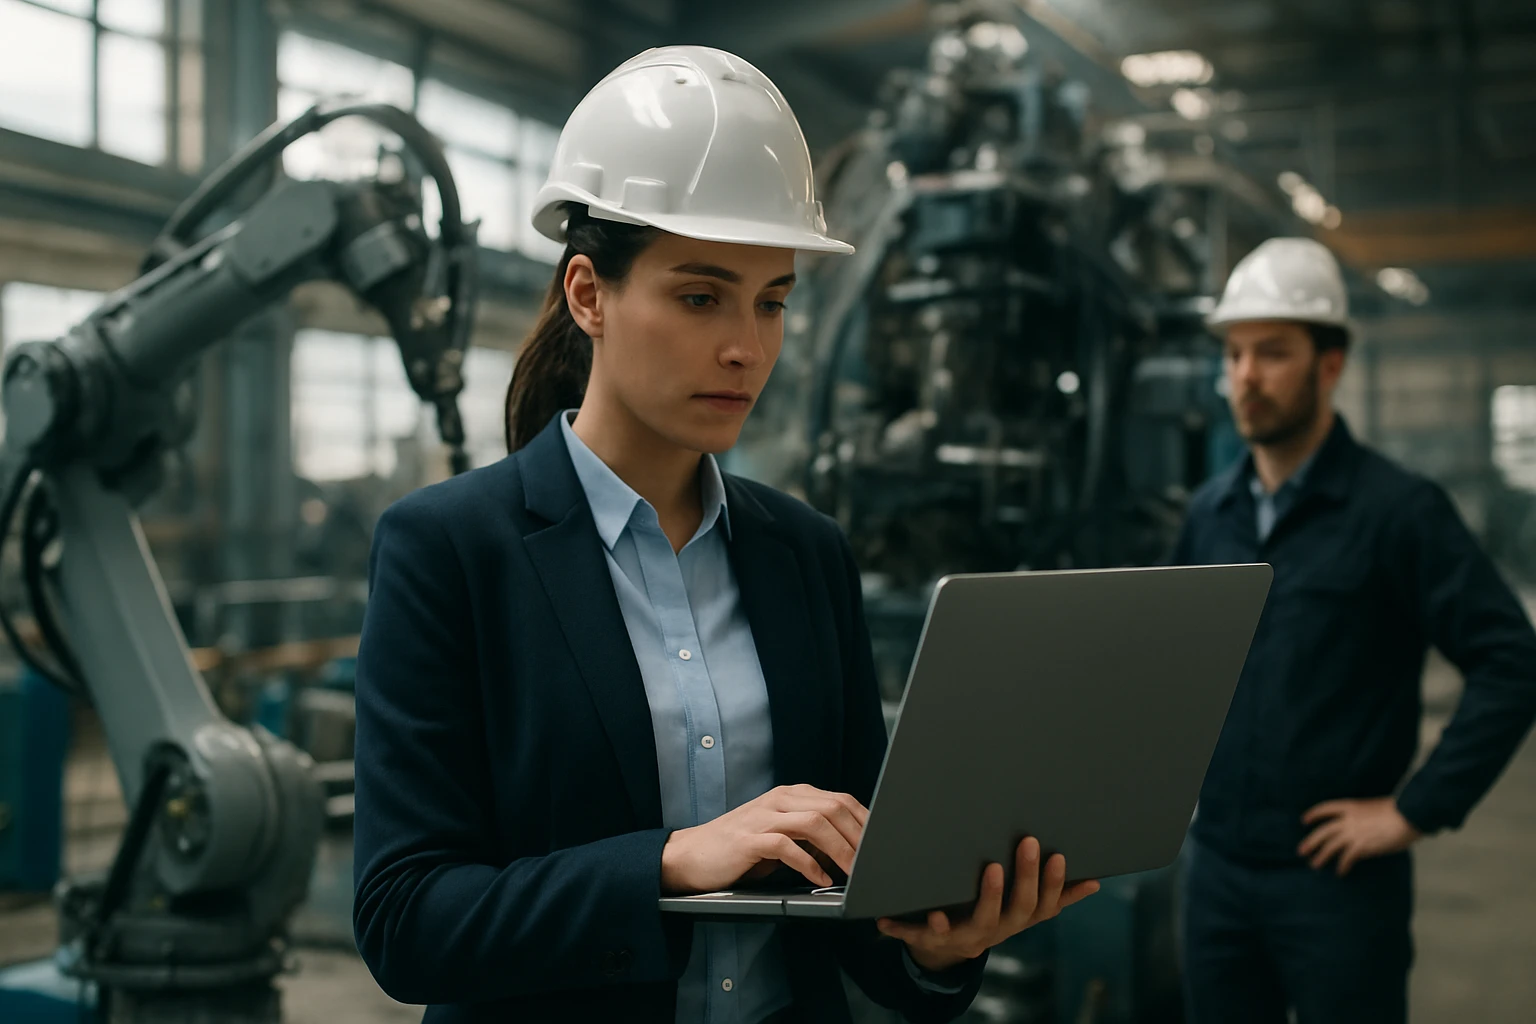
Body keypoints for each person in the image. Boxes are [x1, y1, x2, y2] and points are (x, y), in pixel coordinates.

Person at [350, 45, 1098, 1023]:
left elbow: (853, 898)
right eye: (701, 296)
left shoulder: (807, 554)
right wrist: (667, 865)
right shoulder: (448, 552)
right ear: (590, 295)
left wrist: (937, 946)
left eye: (772, 301)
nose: (746, 345)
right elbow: (407, 919)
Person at [1171, 236, 1536, 1023]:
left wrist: (1414, 809)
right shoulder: (1210, 514)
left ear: (1329, 364)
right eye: (1233, 355)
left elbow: (1512, 661)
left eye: (1271, 353)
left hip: (1333, 885)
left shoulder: (1396, 513)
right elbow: (1175, 669)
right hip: (1216, 876)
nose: (1245, 377)